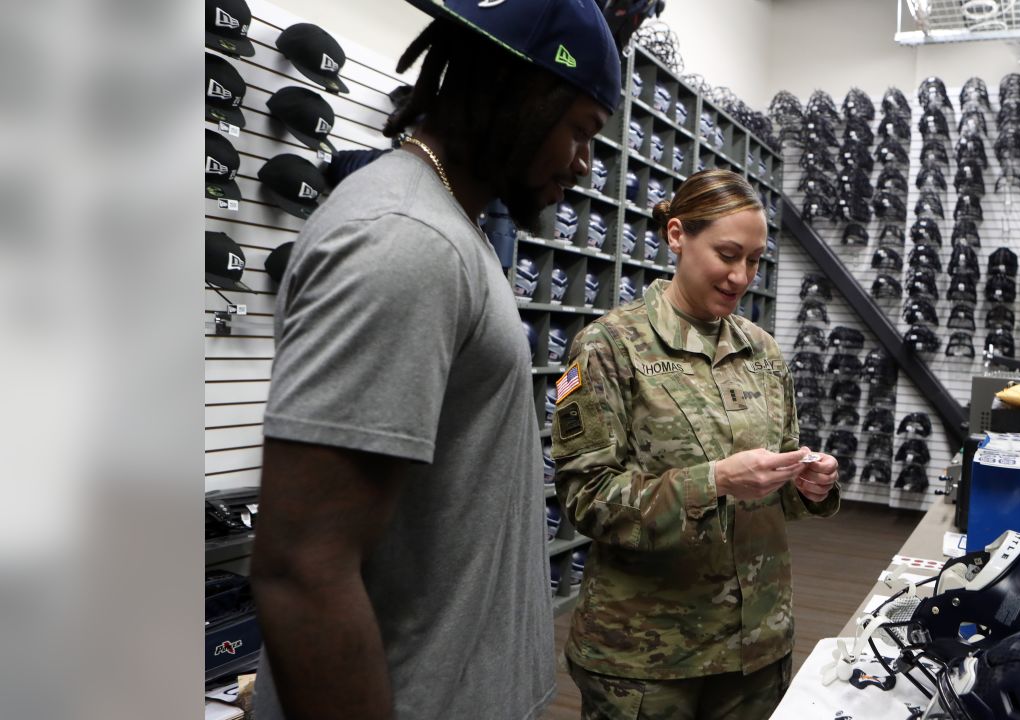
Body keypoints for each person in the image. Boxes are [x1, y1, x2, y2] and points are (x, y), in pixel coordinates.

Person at [249, 1, 621, 718]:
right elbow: (304, 570)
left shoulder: (450, 229)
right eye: (579, 132)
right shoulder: (408, 241)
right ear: (519, 93)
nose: (582, 165)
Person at [551, 168, 843, 719]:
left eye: (755, 260)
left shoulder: (761, 351)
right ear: (678, 235)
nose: (741, 276)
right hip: (648, 658)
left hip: (756, 648)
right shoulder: (608, 347)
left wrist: (810, 481)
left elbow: (780, 475)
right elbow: (585, 498)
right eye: (728, 254)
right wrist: (714, 481)